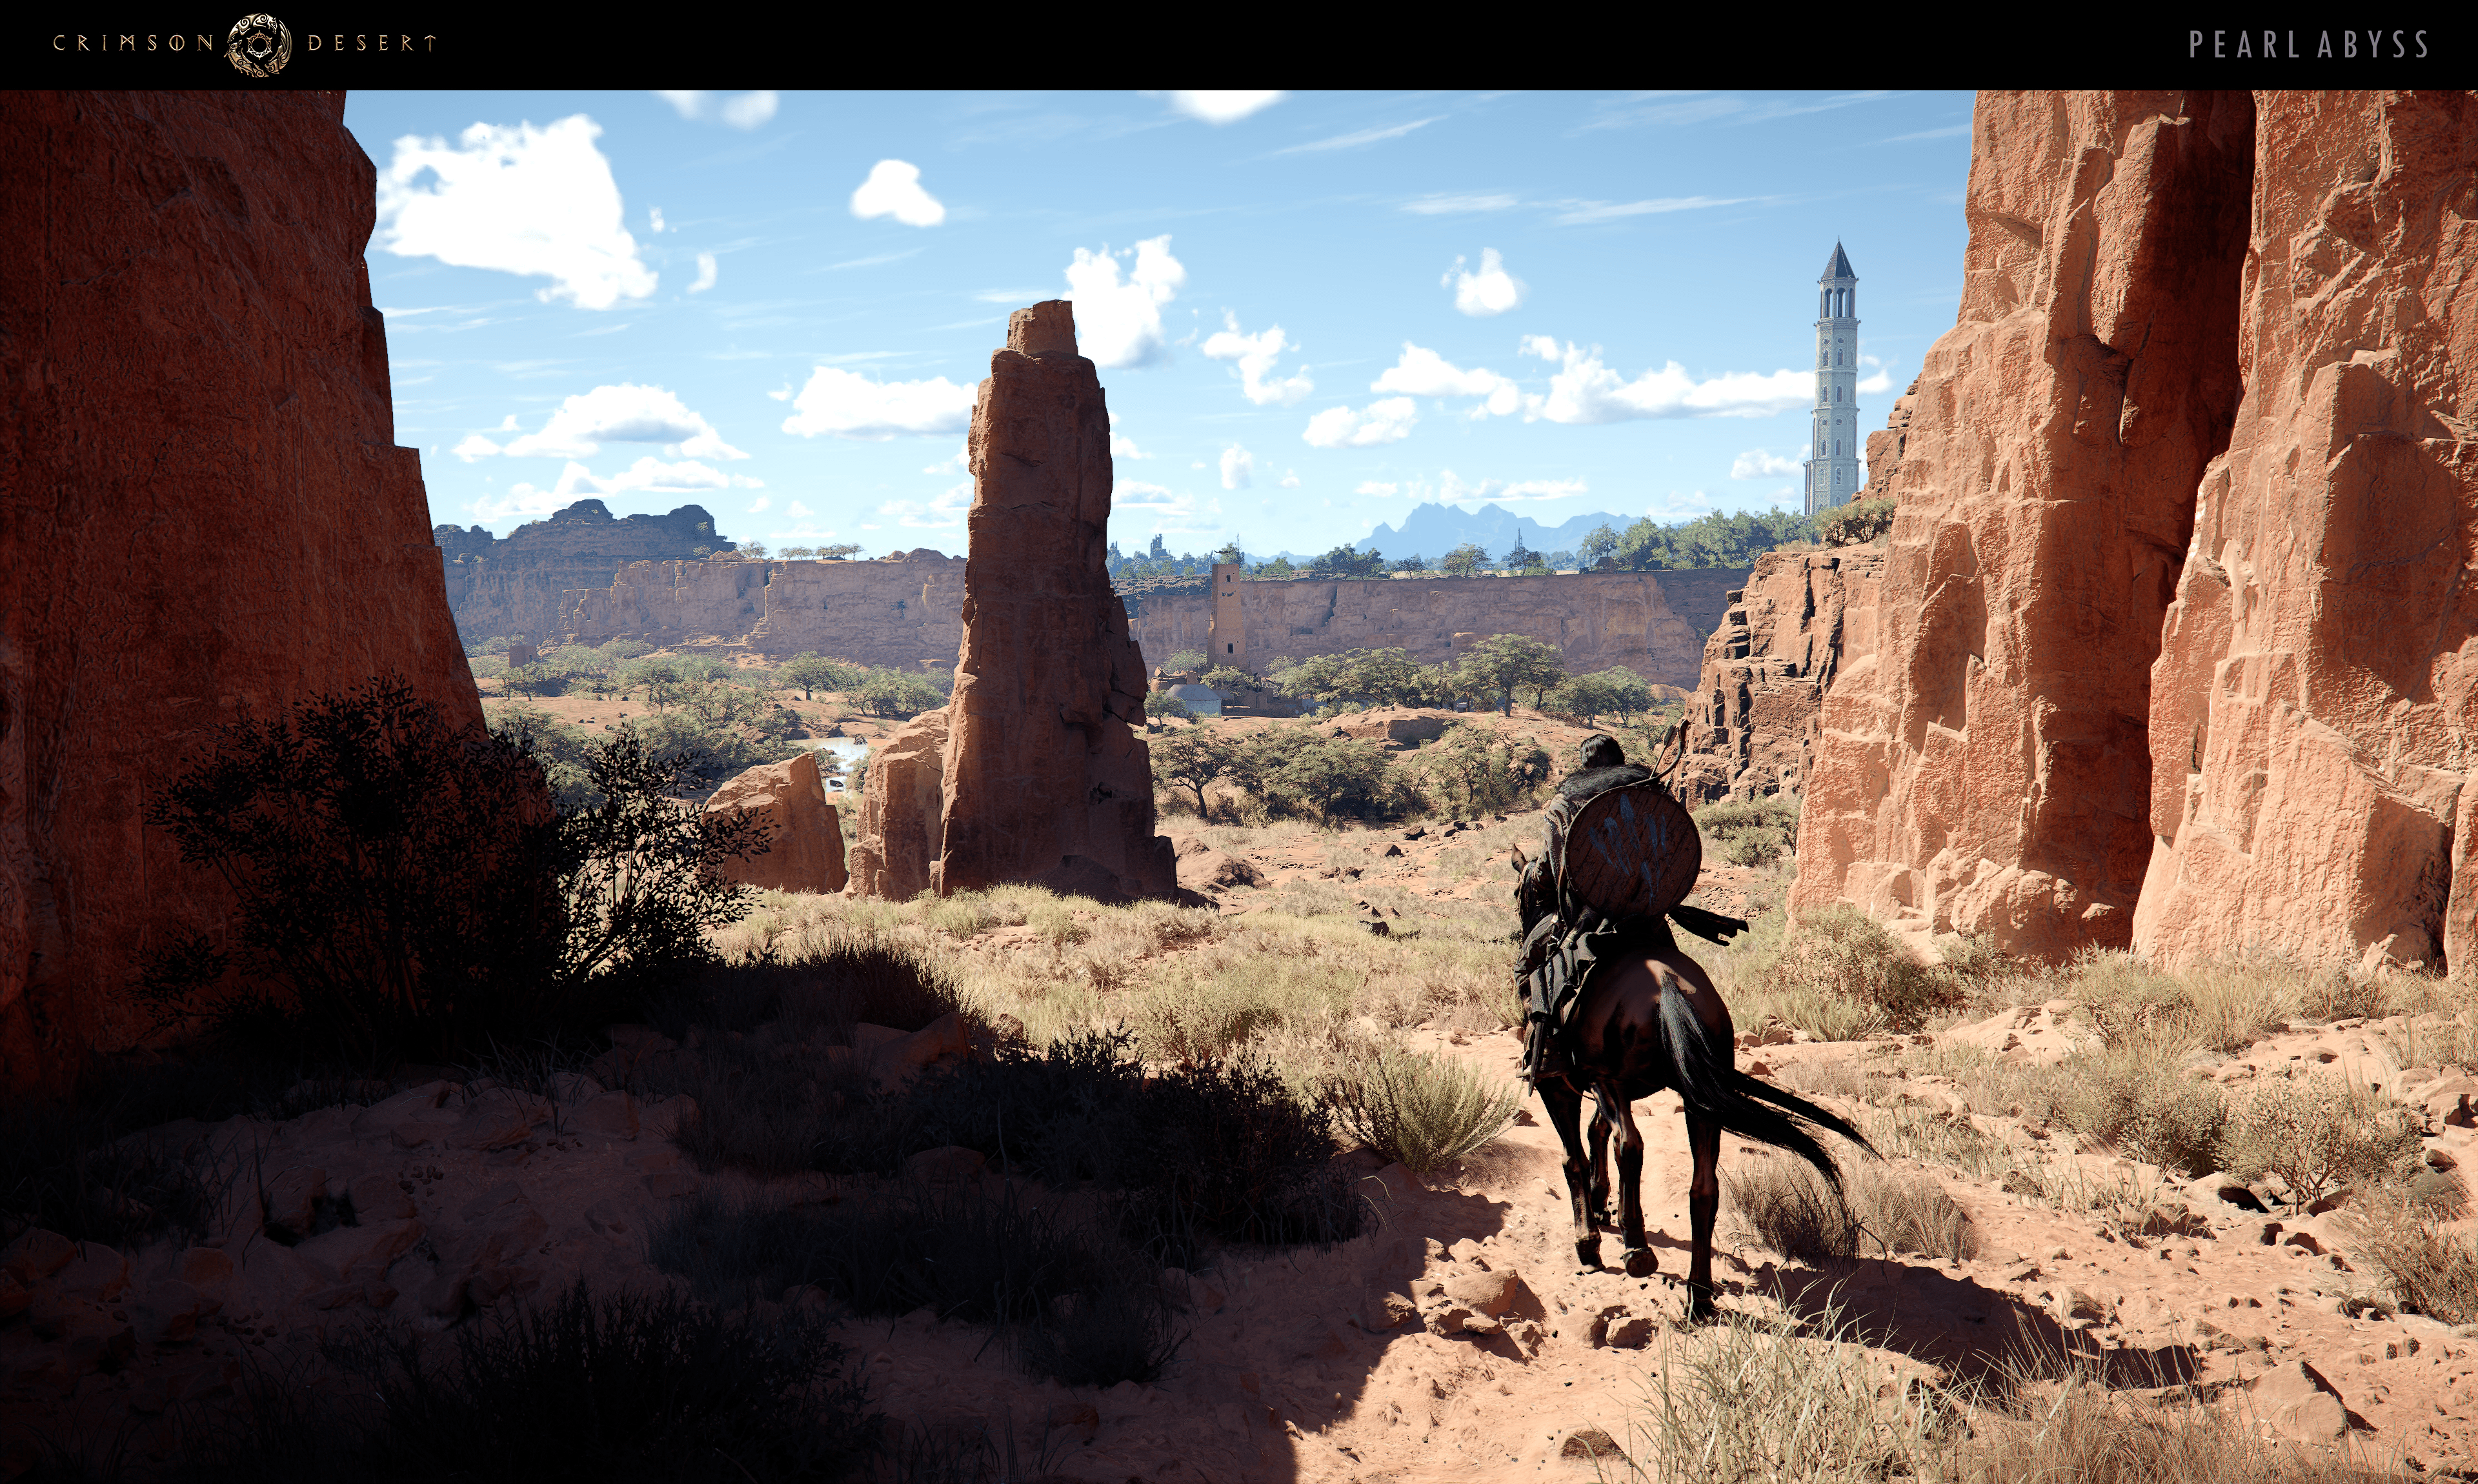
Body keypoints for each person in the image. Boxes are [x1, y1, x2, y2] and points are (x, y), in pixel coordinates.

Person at [1515, 734, 1655, 1083]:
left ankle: (1547, 1048)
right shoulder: (1648, 791)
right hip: (1645, 912)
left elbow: (1549, 867)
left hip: (1588, 915)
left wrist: (1541, 884)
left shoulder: (1567, 802)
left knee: (1529, 965)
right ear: (1619, 759)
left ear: (1585, 765)